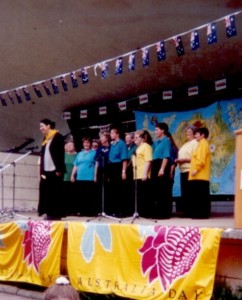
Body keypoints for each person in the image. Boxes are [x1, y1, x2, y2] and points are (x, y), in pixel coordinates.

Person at [38, 118, 66, 220]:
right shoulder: (45, 138)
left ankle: (56, 214)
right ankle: (48, 212)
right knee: (47, 192)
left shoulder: (58, 137)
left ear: (48, 125)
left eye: (42, 126)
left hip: (55, 170)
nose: (41, 128)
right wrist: (41, 170)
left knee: (56, 192)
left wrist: (59, 169)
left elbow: (60, 154)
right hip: (46, 170)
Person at [70, 137, 97, 216]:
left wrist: (95, 176)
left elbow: (96, 164)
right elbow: (76, 165)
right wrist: (72, 175)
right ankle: (81, 211)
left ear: (90, 144)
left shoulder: (94, 152)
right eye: (85, 143)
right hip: (80, 176)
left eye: (88, 143)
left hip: (89, 176)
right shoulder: (79, 153)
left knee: (89, 195)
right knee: (81, 195)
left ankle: (90, 212)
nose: (86, 144)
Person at [175, 125, 198, 217]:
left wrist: (184, 160)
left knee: (191, 192)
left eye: (189, 131)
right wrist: (178, 160)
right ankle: (186, 211)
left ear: (194, 133)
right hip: (183, 170)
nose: (187, 133)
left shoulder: (195, 143)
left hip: (190, 169)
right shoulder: (185, 144)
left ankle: (192, 212)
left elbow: (196, 157)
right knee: (185, 192)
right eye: (186, 132)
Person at [188, 127, 211, 219]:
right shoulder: (201, 144)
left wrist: (196, 169)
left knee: (199, 196)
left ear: (203, 135)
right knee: (198, 196)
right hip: (198, 175)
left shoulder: (203, 144)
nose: (195, 135)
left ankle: (200, 214)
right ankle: (199, 214)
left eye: (197, 134)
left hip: (199, 175)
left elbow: (201, 159)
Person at [151, 122, 172, 219]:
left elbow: (166, 156)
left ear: (162, 131)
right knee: (157, 190)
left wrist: (162, 169)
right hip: (155, 164)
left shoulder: (166, 141)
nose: (155, 132)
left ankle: (164, 213)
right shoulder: (157, 142)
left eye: (157, 130)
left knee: (163, 189)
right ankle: (157, 212)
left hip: (161, 165)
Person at [108, 127, 128, 217]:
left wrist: (123, 171)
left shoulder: (121, 143)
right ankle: (114, 210)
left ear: (117, 134)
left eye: (112, 133)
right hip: (111, 167)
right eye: (110, 133)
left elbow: (124, 159)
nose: (111, 134)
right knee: (113, 189)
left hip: (118, 166)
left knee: (119, 189)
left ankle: (121, 211)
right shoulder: (112, 144)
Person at [132, 130, 153, 217]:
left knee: (144, 195)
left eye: (136, 137)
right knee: (139, 195)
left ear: (142, 138)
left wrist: (145, 173)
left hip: (143, 174)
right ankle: (140, 213)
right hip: (136, 174)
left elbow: (148, 161)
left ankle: (146, 213)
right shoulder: (137, 148)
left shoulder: (146, 146)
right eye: (134, 137)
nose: (134, 139)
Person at [94, 131, 111, 214]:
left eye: (102, 137)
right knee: (100, 190)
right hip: (100, 169)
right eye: (100, 137)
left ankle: (108, 209)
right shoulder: (99, 149)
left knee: (108, 189)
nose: (100, 139)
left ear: (107, 138)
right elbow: (96, 161)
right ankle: (100, 209)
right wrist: (95, 175)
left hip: (109, 169)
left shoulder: (111, 147)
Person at [63, 138, 77, 216]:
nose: (69, 146)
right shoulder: (63, 154)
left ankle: (73, 211)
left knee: (73, 195)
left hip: (73, 177)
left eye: (71, 145)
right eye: (68, 145)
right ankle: (65, 210)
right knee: (65, 195)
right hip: (64, 177)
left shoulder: (77, 155)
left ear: (74, 147)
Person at [124, 132, 137, 216]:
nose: (127, 140)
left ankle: (132, 210)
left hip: (132, 170)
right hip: (125, 170)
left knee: (132, 190)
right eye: (126, 138)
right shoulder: (125, 147)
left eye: (129, 138)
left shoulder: (135, 148)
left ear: (132, 139)